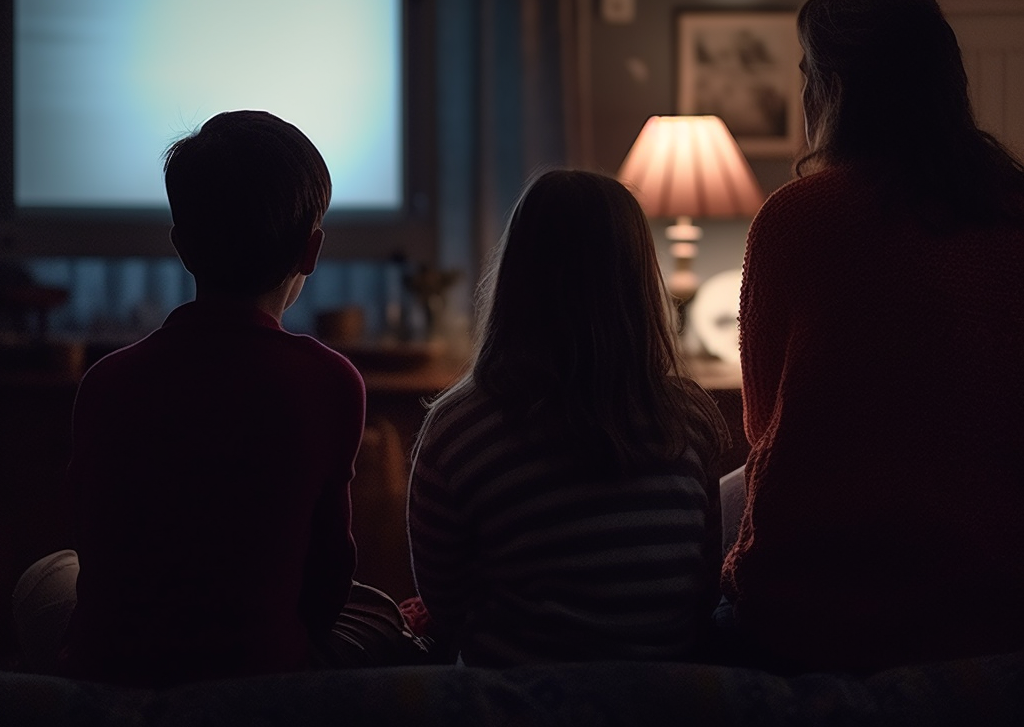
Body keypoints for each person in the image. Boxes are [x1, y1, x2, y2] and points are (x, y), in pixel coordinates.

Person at [12, 110, 422, 686]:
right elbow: (327, 584)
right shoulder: (332, 382)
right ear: (311, 250)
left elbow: (97, 555)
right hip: (261, 669)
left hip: (116, 666)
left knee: (47, 575)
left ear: (181, 246)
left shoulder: (106, 381)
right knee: (378, 612)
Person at [719, 0, 1024, 673]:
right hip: (997, 602)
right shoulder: (1013, 211)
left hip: (814, 615)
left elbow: (764, 426)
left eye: (806, 77)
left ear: (829, 90)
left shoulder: (797, 217)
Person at [406, 168, 728, 666]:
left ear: (515, 274)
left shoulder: (457, 430)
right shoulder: (689, 417)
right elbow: (701, 588)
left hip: (513, 694)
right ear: (640, 278)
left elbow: (446, 605)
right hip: (666, 694)